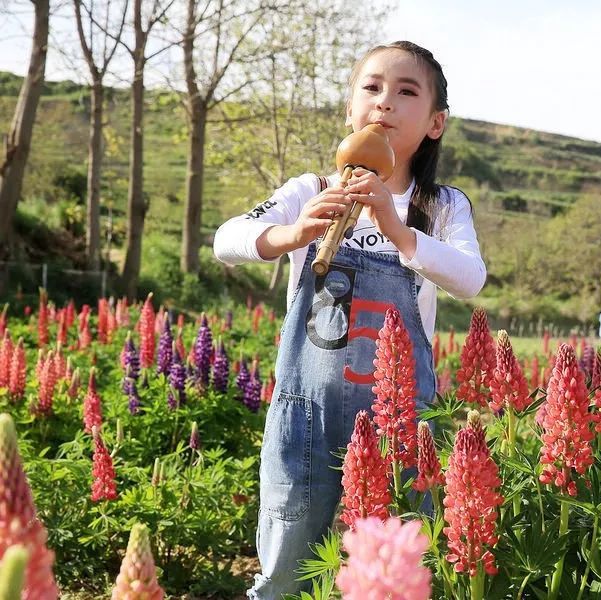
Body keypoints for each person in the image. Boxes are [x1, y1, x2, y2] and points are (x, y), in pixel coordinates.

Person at [213, 41, 486, 599]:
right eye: (372, 87)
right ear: (349, 110)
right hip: (304, 411)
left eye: (406, 91)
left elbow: (470, 278)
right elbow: (226, 239)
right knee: (289, 562)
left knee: (395, 565)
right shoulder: (309, 191)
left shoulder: (441, 207)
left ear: (436, 123)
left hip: (401, 420)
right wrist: (292, 234)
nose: (385, 102)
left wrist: (401, 230)